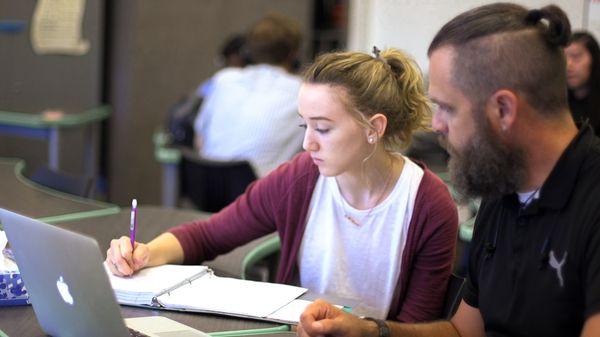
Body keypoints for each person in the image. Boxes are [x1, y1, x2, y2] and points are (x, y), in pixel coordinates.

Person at [297, 3, 600, 337]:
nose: (436, 125)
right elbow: (462, 332)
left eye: (447, 108)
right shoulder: (504, 192)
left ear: (503, 109)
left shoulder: (590, 205)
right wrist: (369, 331)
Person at [107, 48, 458, 322]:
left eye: (323, 128)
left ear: (374, 128)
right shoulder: (302, 176)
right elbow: (208, 235)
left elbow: (416, 327)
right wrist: (145, 254)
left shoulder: (427, 206)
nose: (308, 144)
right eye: (304, 126)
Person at [193, 13, 305, 178]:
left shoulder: (224, 79)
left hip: (206, 189)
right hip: (262, 196)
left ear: (248, 51)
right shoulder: (304, 91)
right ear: (294, 54)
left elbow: (199, 141)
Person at [565, 31, 600, 136]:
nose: (568, 65)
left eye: (576, 57)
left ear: (594, 60)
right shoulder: (558, 100)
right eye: (564, 58)